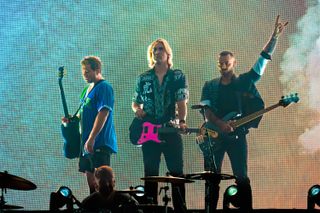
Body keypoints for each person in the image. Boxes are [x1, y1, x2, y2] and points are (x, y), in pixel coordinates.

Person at [198, 15, 288, 211]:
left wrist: (274, 38)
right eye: (221, 63)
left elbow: (261, 62)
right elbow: (206, 111)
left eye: (227, 63)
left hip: (237, 136)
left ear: (234, 63)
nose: (223, 66)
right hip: (214, 136)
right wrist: (221, 124)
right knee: (212, 178)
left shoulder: (243, 82)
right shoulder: (210, 86)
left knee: (242, 177)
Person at [131, 38, 189, 212]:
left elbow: (181, 101)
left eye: (161, 49)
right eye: (154, 50)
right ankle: (150, 209)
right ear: (151, 54)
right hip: (149, 131)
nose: (157, 52)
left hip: (170, 129)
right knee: (151, 174)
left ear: (168, 53)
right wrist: (137, 110)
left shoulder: (177, 75)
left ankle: (180, 209)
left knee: (176, 173)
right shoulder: (143, 78)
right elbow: (135, 102)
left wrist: (182, 121)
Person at [62, 56, 117, 194]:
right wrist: (71, 120)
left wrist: (92, 138)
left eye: (87, 71)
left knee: (103, 186)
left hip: (99, 143)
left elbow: (103, 113)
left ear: (97, 69)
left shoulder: (104, 87)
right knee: (92, 189)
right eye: (83, 72)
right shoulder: (86, 90)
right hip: (86, 145)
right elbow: (83, 113)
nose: (84, 75)